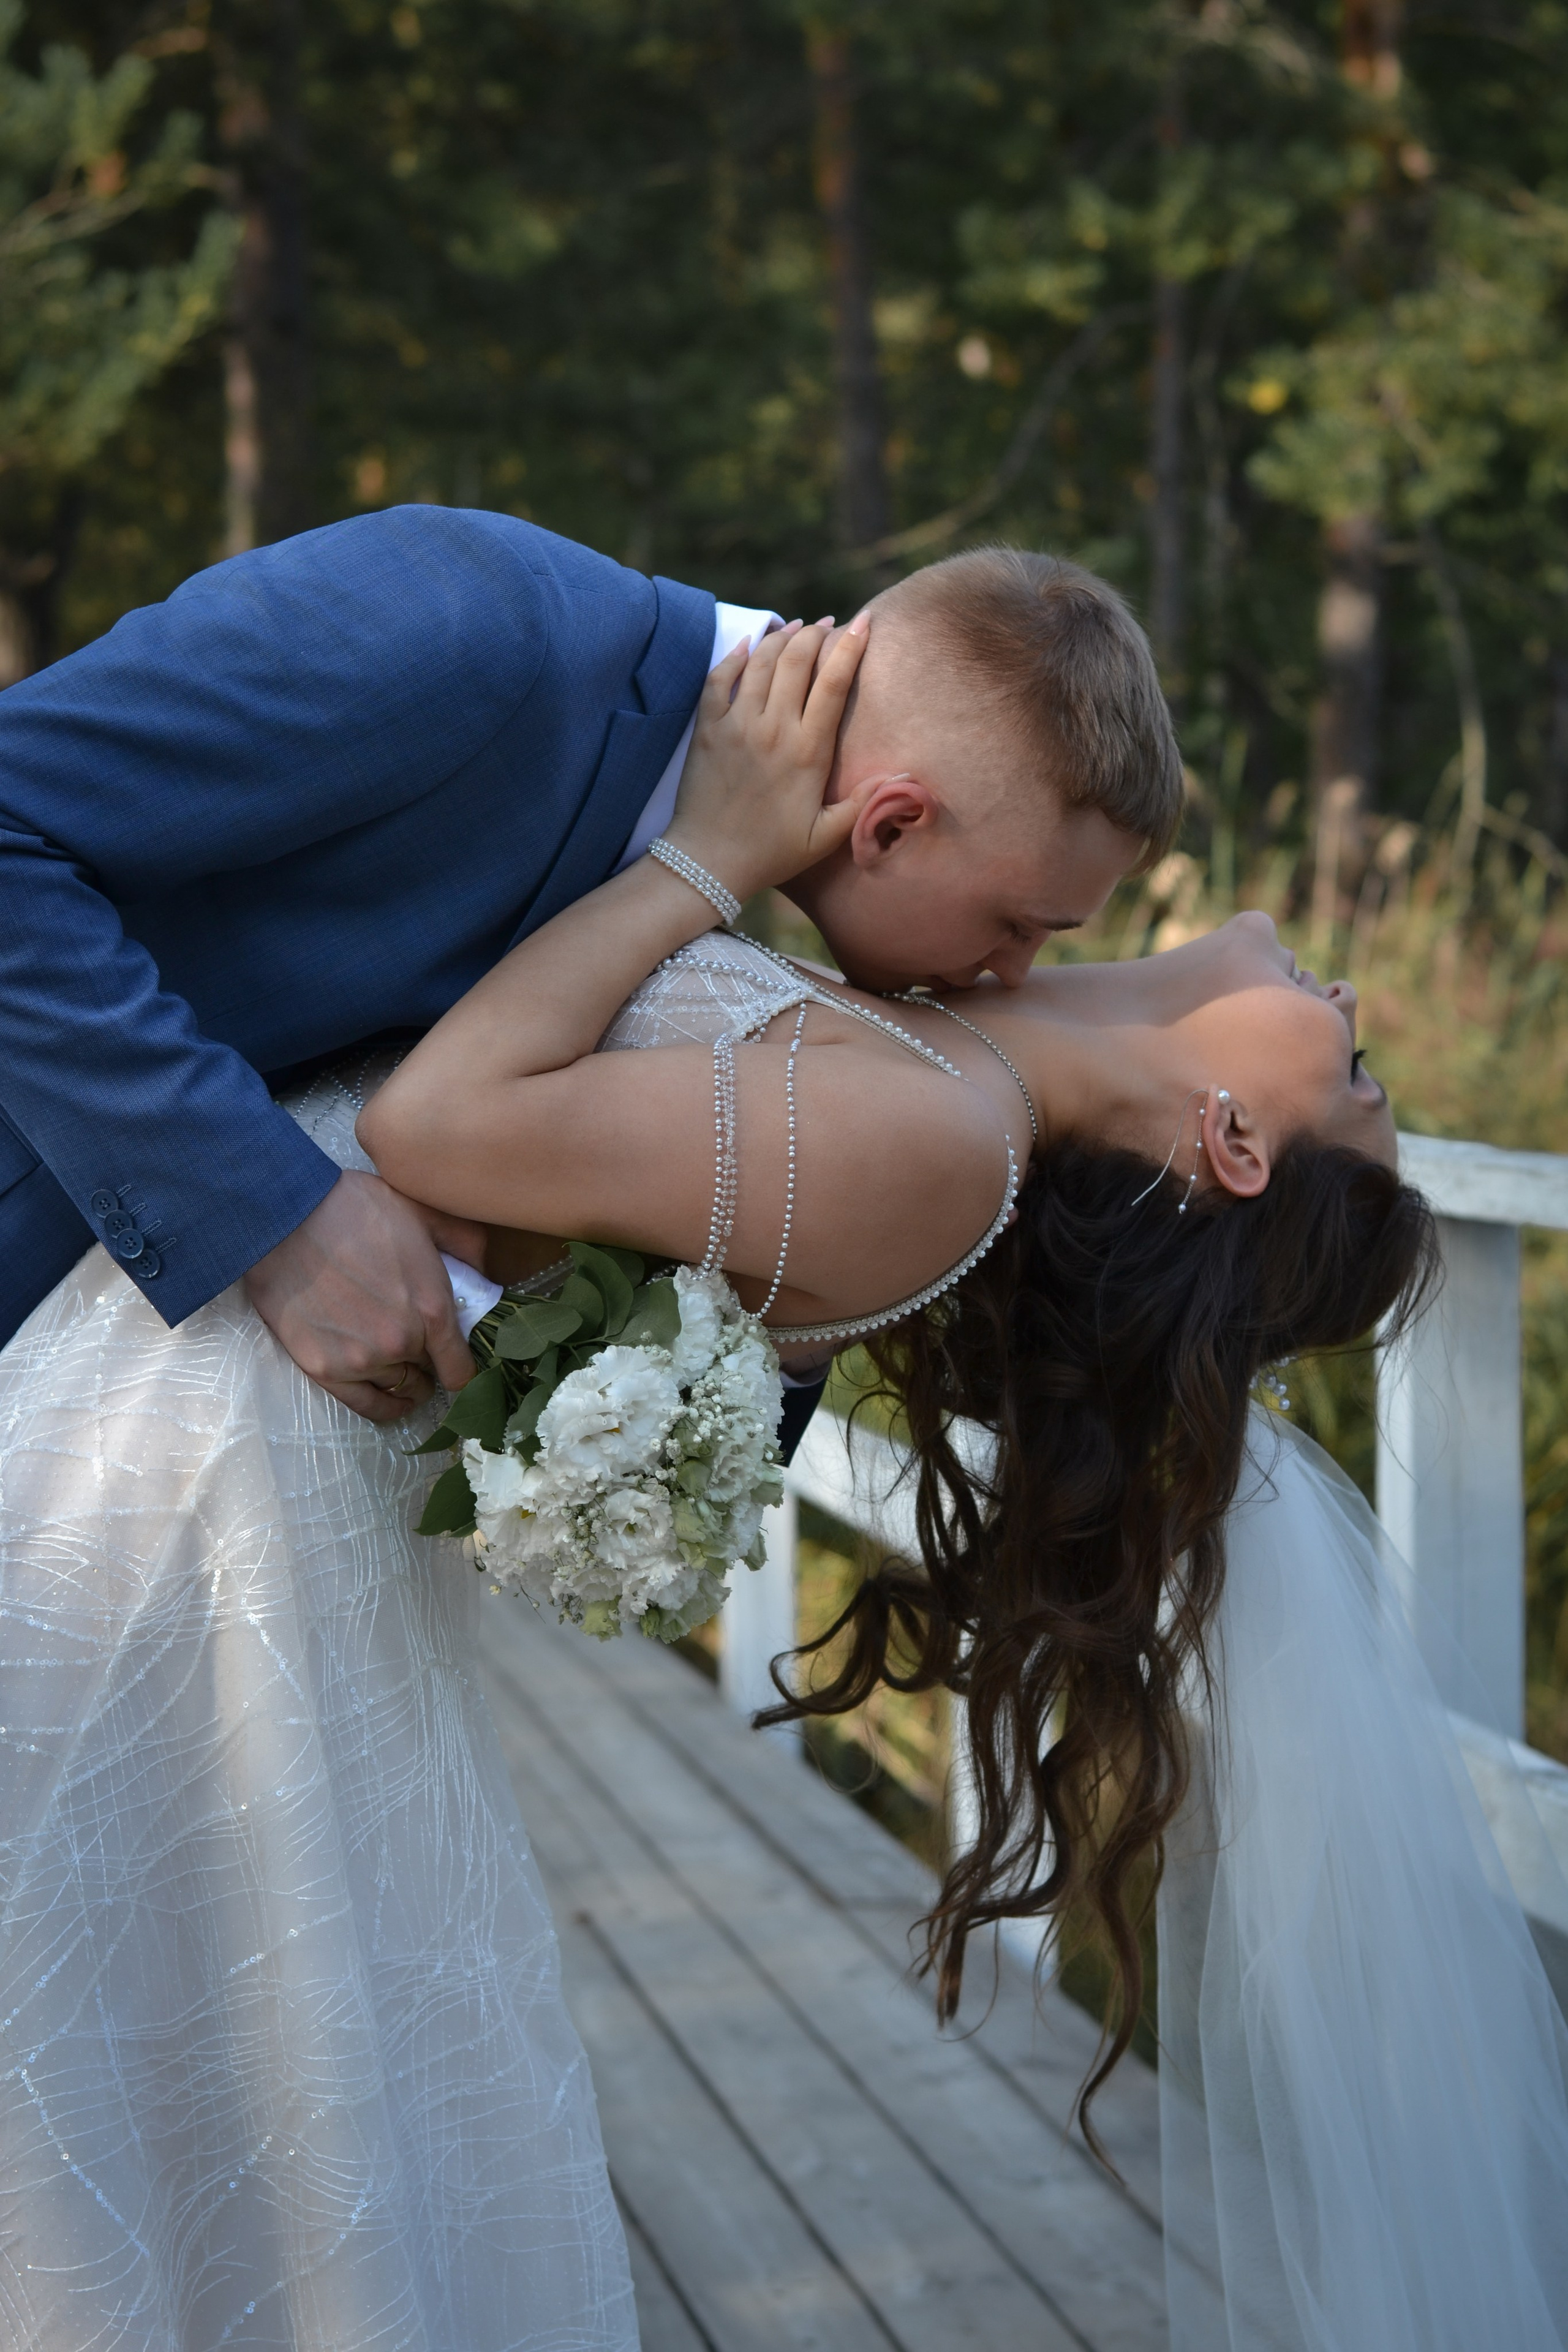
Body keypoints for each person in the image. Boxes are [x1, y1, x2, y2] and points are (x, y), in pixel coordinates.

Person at [2, 614, 1560, 2348]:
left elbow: (433, 1129)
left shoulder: (949, 1139)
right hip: (198, 1407)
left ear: (1238, 1145)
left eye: (1351, 1073)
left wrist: (702, 860)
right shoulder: (950, 1058)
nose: (1347, 1007)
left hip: (199, 1476)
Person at [0, 516, 1179, 1477]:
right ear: (893, 823)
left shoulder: (706, 897)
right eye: (1020, 924)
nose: (1016, 973)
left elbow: (673, 1453)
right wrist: (276, 1220)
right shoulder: (472, 622)